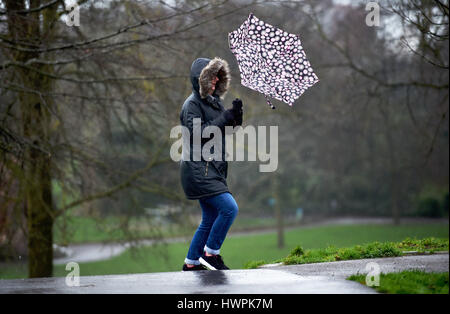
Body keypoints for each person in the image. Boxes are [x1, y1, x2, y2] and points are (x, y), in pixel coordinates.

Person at [179, 57, 243, 271]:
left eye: (218, 76)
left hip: (211, 169)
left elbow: (220, 131)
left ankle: (191, 263)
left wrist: (235, 117)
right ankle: (211, 253)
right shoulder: (192, 105)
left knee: (210, 217)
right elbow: (198, 135)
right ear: (201, 79)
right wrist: (225, 118)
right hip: (199, 170)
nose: (216, 79)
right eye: (211, 76)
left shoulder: (213, 102)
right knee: (229, 208)